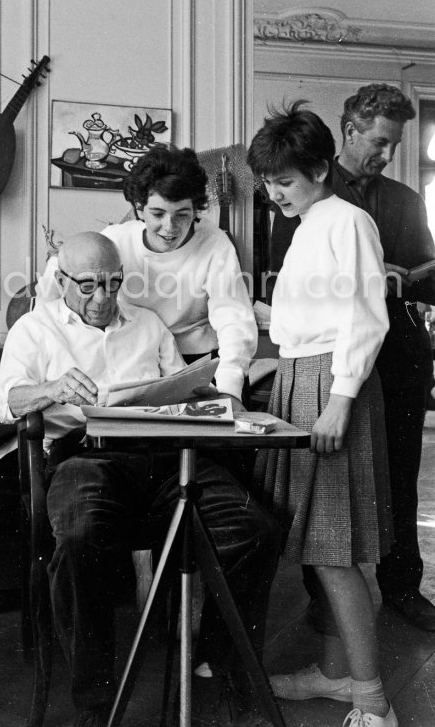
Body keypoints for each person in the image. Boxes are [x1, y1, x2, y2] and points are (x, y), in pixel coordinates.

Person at [0, 231, 280, 727]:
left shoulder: (146, 324)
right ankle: (95, 703)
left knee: (255, 530)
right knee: (81, 538)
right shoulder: (35, 330)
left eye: (112, 283)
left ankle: (217, 663)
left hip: (167, 456)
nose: (103, 298)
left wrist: (205, 394)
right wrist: (50, 388)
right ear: (60, 281)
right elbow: (5, 403)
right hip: (85, 459)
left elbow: (185, 392)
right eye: (87, 286)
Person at [247, 103, 396, 727]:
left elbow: (364, 316)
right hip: (301, 378)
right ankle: (337, 677)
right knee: (325, 549)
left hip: (333, 386)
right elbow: (312, 317)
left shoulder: (347, 221)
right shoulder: (309, 222)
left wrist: (338, 397)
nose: (272, 191)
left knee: (339, 553)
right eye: (267, 180)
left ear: (318, 168)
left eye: (284, 180)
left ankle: (372, 702)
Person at [270, 83, 435, 632]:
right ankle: (328, 603)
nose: (386, 155)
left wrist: (400, 279)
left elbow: (427, 277)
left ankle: (401, 587)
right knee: (331, 489)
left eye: (393, 145)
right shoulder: (296, 187)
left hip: (399, 354)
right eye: (380, 142)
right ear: (349, 132)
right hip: (331, 356)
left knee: (400, 474)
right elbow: (283, 276)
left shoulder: (404, 202)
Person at [36, 146, 258, 413]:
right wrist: (45, 330)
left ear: (197, 209)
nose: (170, 227)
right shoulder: (117, 238)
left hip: (198, 365)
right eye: (158, 214)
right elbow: (58, 271)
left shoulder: (215, 246)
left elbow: (235, 323)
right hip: (138, 361)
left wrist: (228, 391)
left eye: (182, 215)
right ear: (139, 209)